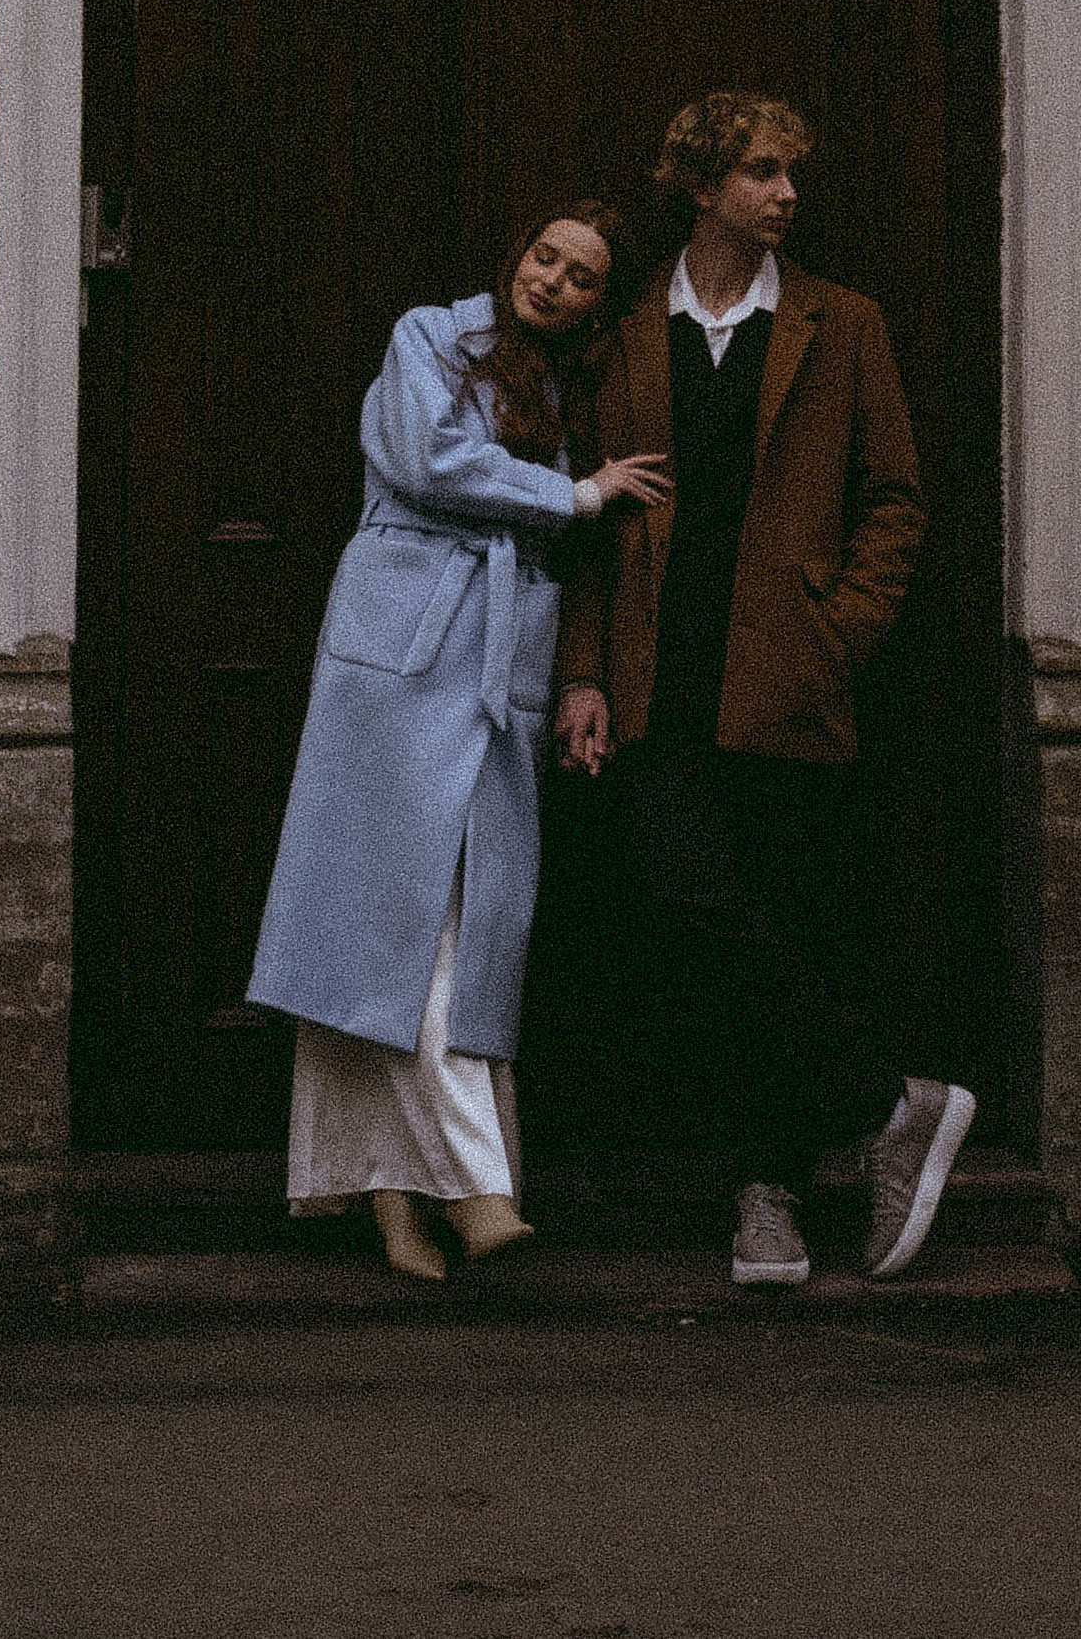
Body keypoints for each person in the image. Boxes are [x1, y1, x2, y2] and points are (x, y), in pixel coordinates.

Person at [554, 90, 974, 1288]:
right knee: (691, 907)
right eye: (763, 173)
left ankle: (768, 1200)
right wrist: (580, 670)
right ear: (701, 187)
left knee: (781, 929)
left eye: (792, 172)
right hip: (652, 676)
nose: (787, 193)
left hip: (786, 680)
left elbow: (894, 498)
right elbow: (583, 522)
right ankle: (892, 1104)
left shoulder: (842, 325)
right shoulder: (628, 327)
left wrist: (836, 630)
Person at [247, 204, 669, 1282]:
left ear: (598, 303)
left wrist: (580, 674)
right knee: (385, 920)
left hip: (499, 656)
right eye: (544, 257)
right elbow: (424, 455)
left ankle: (394, 1188)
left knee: (468, 918)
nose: (553, 283)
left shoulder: (578, 387)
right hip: (400, 652)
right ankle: (475, 1187)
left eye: (581, 278)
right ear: (515, 255)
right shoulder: (431, 333)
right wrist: (568, 494)